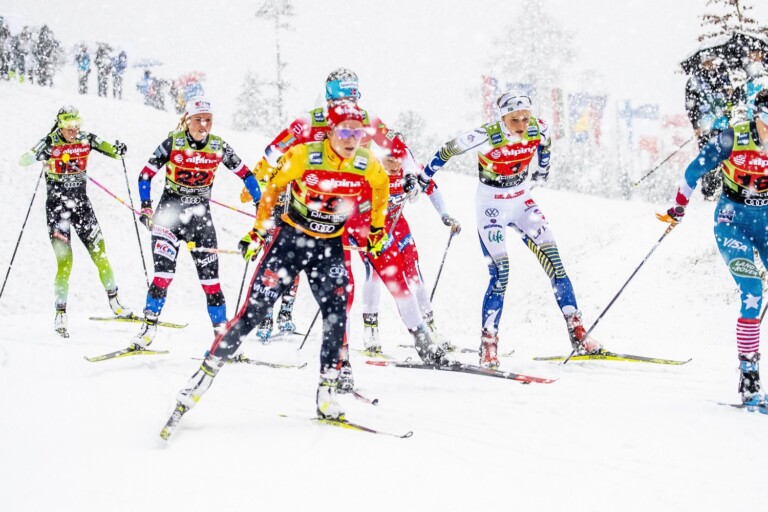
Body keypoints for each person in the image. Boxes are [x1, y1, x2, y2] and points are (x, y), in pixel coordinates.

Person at [170, 103, 445, 423]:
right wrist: (258, 232)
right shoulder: (304, 155)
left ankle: (327, 395)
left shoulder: (365, 161)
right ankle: (200, 380)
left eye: (357, 132)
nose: (351, 138)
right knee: (252, 314)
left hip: (329, 247)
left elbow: (382, 186)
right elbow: (273, 188)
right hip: (291, 243)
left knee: (336, 316)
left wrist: (377, 231)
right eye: (344, 131)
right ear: (330, 131)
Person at [240, 67, 425, 344]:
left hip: (360, 208)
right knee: (341, 287)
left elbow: (398, 147)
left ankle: (423, 338)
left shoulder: (366, 119)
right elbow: (274, 151)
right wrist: (256, 180)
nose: (349, 108)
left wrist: (410, 175)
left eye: (353, 99)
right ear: (329, 100)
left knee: (394, 273)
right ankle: (341, 350)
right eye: (342, 101)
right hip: (323, 212)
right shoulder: (310, 121)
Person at [418, 92, 602, 368]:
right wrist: (423, 177)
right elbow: (448, 150)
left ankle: (577, 333)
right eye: (514, 119)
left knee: (556, 264)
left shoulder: (537, 127)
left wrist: (542, 171)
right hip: (491, 206)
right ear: (502, 118)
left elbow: (546, 144)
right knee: (501, 274)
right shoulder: (486, 135)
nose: (521, 125)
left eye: (525, 118)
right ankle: (488, 345)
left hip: (521, 202)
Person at [657, 90, 768, 409]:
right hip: (732, 223)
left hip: (765, 224)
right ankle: (749, 379)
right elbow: (694, 171)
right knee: (752, 291)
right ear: (757, 117)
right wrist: (679, 207)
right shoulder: (733, 139)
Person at [131, 97, 261, 348]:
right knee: (163, 275)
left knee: (211, 283)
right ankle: (148, 328)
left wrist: (260, 204)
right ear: (187, 120)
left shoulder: (218, 146)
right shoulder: (174, 143)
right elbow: (145, 175)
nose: (204, 125)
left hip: (200, 220)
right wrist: (146, 206)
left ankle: (222, 339)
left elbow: (246, 174)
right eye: (198, 120)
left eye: (208, 120)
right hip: (168, 215)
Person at [17, 106, 133, 337]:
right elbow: (23, 160)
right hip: (57, 211)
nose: (74, 131)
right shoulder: (50, 141)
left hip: (82, 207)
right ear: (60, 126)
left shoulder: (86, 139)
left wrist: (119, 150)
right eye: (69, 127)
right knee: (65, 262)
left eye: (77, 126)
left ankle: (115, 302)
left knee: (100, 255)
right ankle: (60, 313)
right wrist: (40, 154)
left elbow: (114, 152)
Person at [345, 134, 461, 354]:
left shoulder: (410, 168)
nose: (394, 165)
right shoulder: (370, 168)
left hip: (397, 225)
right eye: (389, 159)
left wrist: (445, 215)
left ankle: (430, 327)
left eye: (398, 160)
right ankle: (371, 330)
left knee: (414, 273)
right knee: (373, 274)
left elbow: (431, 188)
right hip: (372, 227)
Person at [685, 51, 735, 200]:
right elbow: (690, 105)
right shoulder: (694, 80)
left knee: (726, 158)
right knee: (707, 158)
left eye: (712, 60)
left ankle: (725, 190)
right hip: (705, 126)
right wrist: (696, 125)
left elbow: (733, 100)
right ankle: (709, 191)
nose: (709, 63)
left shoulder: (725, 77)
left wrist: (730, 95)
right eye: (706, 60)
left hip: (724, 126)